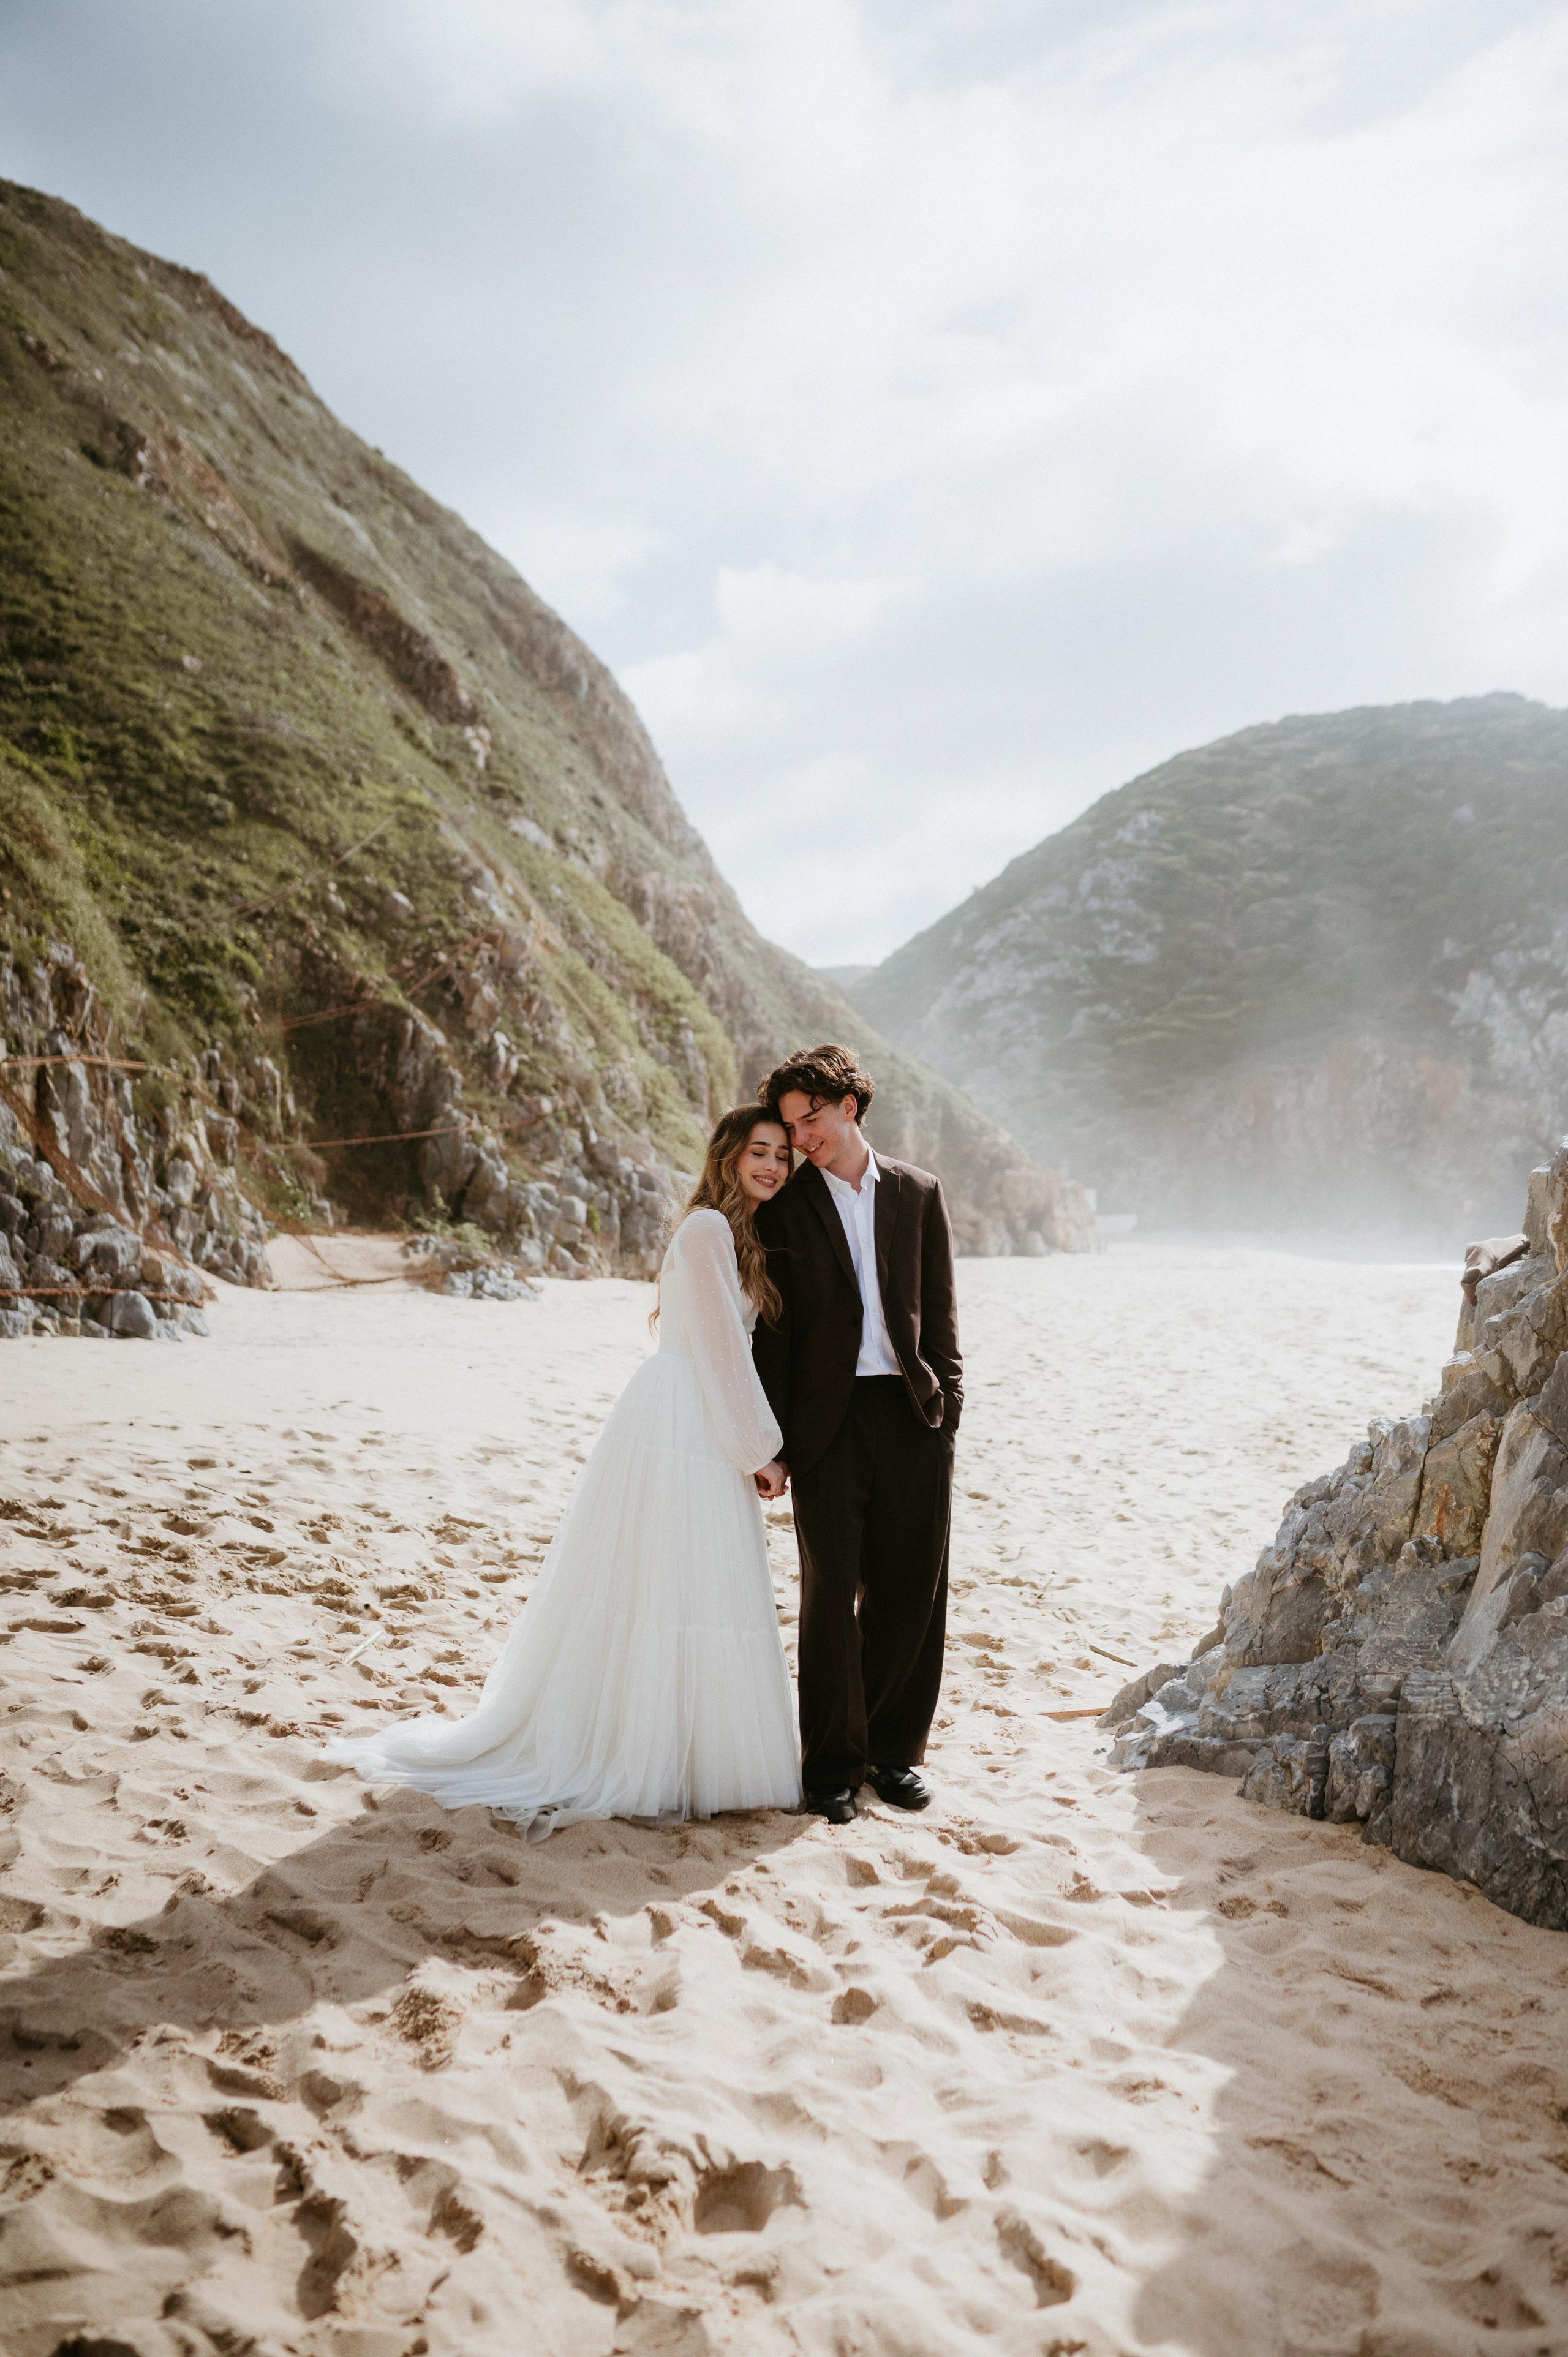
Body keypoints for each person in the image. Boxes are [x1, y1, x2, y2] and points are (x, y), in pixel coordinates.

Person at [325, 1107, 802, 1836]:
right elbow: (716, 1349)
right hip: (685, 1414)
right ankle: (649, 1753)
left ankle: (684, 1750)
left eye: (782, 1154)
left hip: (692, 1411)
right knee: (665, 1581)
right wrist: (757, 1450)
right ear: (728, 1159)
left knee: (686, 1582)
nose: (771, 1164)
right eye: (757, 1152)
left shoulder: (739, 1235)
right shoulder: (707, 1229)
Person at [752, 1045, 962, 1825]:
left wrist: (946, 1419)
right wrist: (774, 1444)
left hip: (911, 1416)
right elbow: (774, 1337)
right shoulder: (782, 1210)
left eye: (810, 1118)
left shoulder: (918, 1192)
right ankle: (833, 1765)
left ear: (849, 1106)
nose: (800, 1137)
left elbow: (940, 1319)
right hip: (825, 1426)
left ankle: (893, 1753)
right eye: (789, 1124)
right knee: (830, 1593)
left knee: (911, 1592)